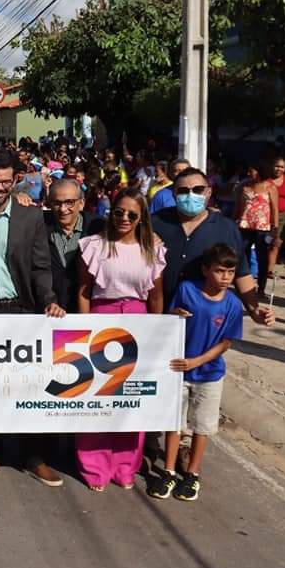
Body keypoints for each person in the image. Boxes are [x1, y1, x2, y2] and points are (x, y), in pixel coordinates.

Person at [0, 153, 66, 486]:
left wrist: (48, 300)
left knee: (27, 386)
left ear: (15, 179)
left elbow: (40, 266)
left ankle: (33, 455)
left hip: (21, 309)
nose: (0, 187)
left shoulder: (29, 218)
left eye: (7, 181)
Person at [75, 189, 166, 491]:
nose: (124, 218)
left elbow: (156, 296)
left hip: (138, 322)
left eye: (131, 214)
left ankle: (126, 465)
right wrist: (85, 328)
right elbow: (84, 291)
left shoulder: (152, 248)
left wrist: (156, 335)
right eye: (118, 212)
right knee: (97, 398)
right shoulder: (95, 246)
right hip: (101, 319)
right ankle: (94, 465)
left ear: (142, 218)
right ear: (110, 213)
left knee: (130, 399)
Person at [149, 243, 244, 501]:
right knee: (174, 423)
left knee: (201, 426)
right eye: (219, 271)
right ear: (205, 270)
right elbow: (171, 317)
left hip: (210, 374)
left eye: (230, 272)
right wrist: (174, 314)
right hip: (178, 369)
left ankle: (192, 474)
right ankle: (168, 471)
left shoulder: (233, 305)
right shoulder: (187, 289)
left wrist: (198, 361)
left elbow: (227, 342)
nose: (225, 278)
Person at [153, 168, 275, 327]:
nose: (191, 195)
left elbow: (241, 273)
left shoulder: (226, 228)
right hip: (159, 315)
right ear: (174, 194)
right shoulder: (156, 222)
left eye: (198, 190)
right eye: (183, 191)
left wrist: (254, 310)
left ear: (209, 192)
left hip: (203, 320)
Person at [43, 178, 103, 313]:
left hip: (89, 312)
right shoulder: (39, 225)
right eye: (57, 203)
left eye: (69, 202)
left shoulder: (99, 227)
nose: (63, 209)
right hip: (49, 313)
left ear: (81, 203)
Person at [234, 161, 278, 297]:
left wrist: (275, 227)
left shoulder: (270, 187)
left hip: (262, 227)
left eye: (252, 171)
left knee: (262, 257)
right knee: (242, 255)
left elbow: (274, 208)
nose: (249, 173)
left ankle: (261, 287)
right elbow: (239, 206)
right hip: (245, 225)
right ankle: (244, 285)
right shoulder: (245, 186)